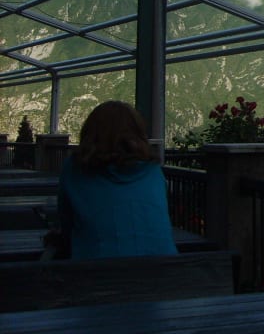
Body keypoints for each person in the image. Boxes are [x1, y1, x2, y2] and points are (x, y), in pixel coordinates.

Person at [56, 100, 178, 259]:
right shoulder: (153, 171)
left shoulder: (75, 169)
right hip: (168, 272)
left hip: (98, 276)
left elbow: (66, 222)